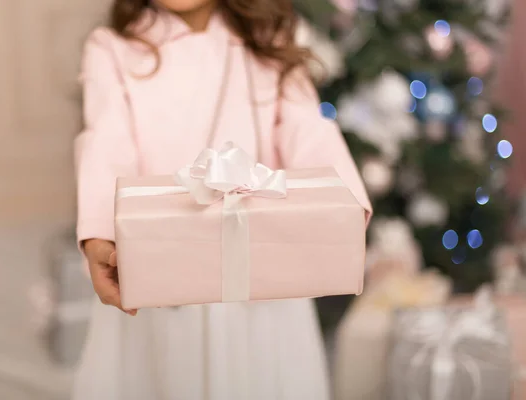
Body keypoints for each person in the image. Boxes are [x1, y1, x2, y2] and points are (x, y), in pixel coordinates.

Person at [74, 0, 372, 399]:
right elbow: (107, 139)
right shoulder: (112, 47)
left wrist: (344, 206)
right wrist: (99, 234)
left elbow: (306, 127)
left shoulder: (266, 38)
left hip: (259, 270)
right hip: (159, 268)